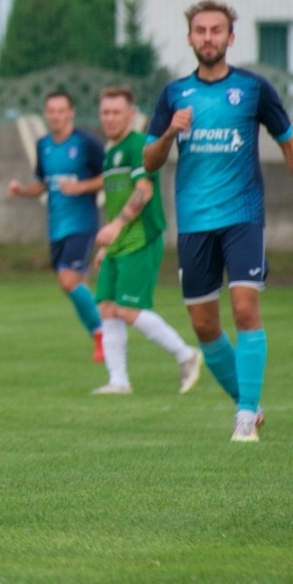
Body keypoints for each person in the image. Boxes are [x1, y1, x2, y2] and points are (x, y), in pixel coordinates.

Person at [144, 0, 293, 442]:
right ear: (189, 38)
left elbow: (288, 143)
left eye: (216, 30)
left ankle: (245, 416)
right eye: (200, 30)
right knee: (204, 325)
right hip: (194, 223)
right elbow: (149, 162)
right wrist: (170, 130)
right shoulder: (173, 95)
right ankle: (249, 403)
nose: (208, 38)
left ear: (230, 38)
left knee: (245, 308)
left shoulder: (253, 89)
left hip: (243, 217)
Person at [86, 86, 202, 396]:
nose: (110, 118)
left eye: (116, 112)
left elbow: (144, 191)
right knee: (107, 308)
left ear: (131, 114)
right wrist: (107, 243)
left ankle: (186, 354)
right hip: (119, 241)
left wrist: (117, 227)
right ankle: (118, 381)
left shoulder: (138, 145)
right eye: (105, 112)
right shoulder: (111, 153)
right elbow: (116, 201)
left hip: (140, 238)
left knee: (127, 310)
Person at [8, 90, 106, 361]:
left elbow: (110, 176)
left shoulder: (86, 143)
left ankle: (102, 334)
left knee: (67, 280)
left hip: (82, 223)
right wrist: (22, 190)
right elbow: (43, 182)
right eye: (51, 111)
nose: (56, 116)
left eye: (61, 111)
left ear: (71, 113)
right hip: (56, 226)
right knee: (77, 286)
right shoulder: (43, 145)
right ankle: (103, 337)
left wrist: (81, 186)